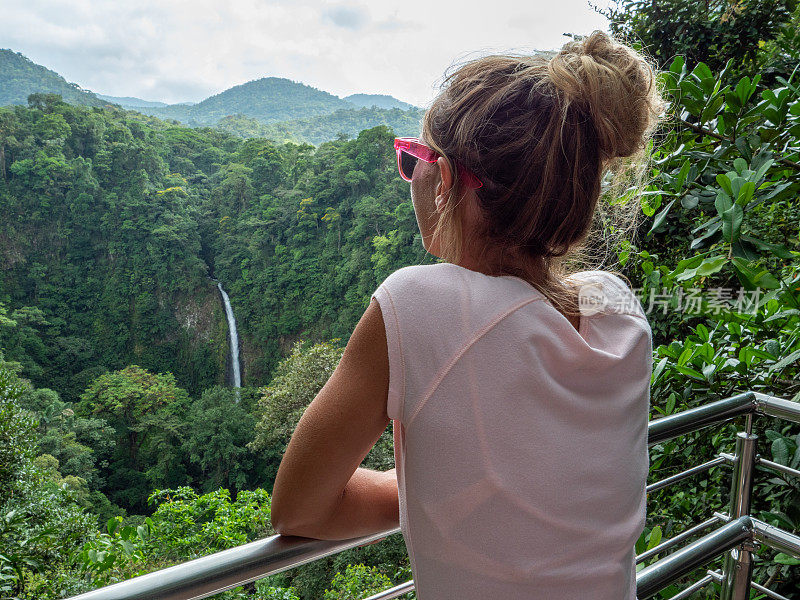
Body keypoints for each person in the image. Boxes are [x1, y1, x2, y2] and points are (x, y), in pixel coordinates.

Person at [269, 29, 669, 599]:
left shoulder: (418, 305)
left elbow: (299, 509)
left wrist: (432, 489)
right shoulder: (618, 313)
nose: (414, 174)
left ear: (448, 181)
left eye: (417, 161)